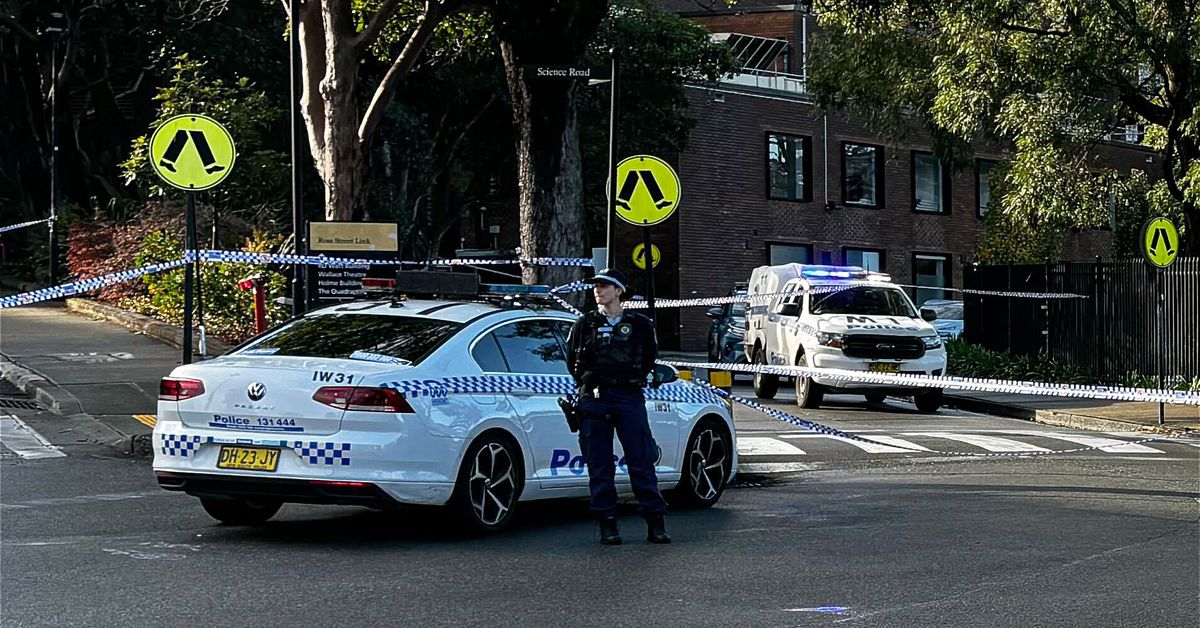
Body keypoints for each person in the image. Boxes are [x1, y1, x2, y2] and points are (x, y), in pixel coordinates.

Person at [566, 267, 670, 545]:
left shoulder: (640, 324)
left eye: (605, 286)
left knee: (641, 460)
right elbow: (571, 361)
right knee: (599, 465)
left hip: (628, 395)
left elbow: (649, 357)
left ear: (619, 291)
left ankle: (655, 522)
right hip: (595, 397)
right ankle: (607, 523)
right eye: (596, 286)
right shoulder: (584, 324)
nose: (598, 290)